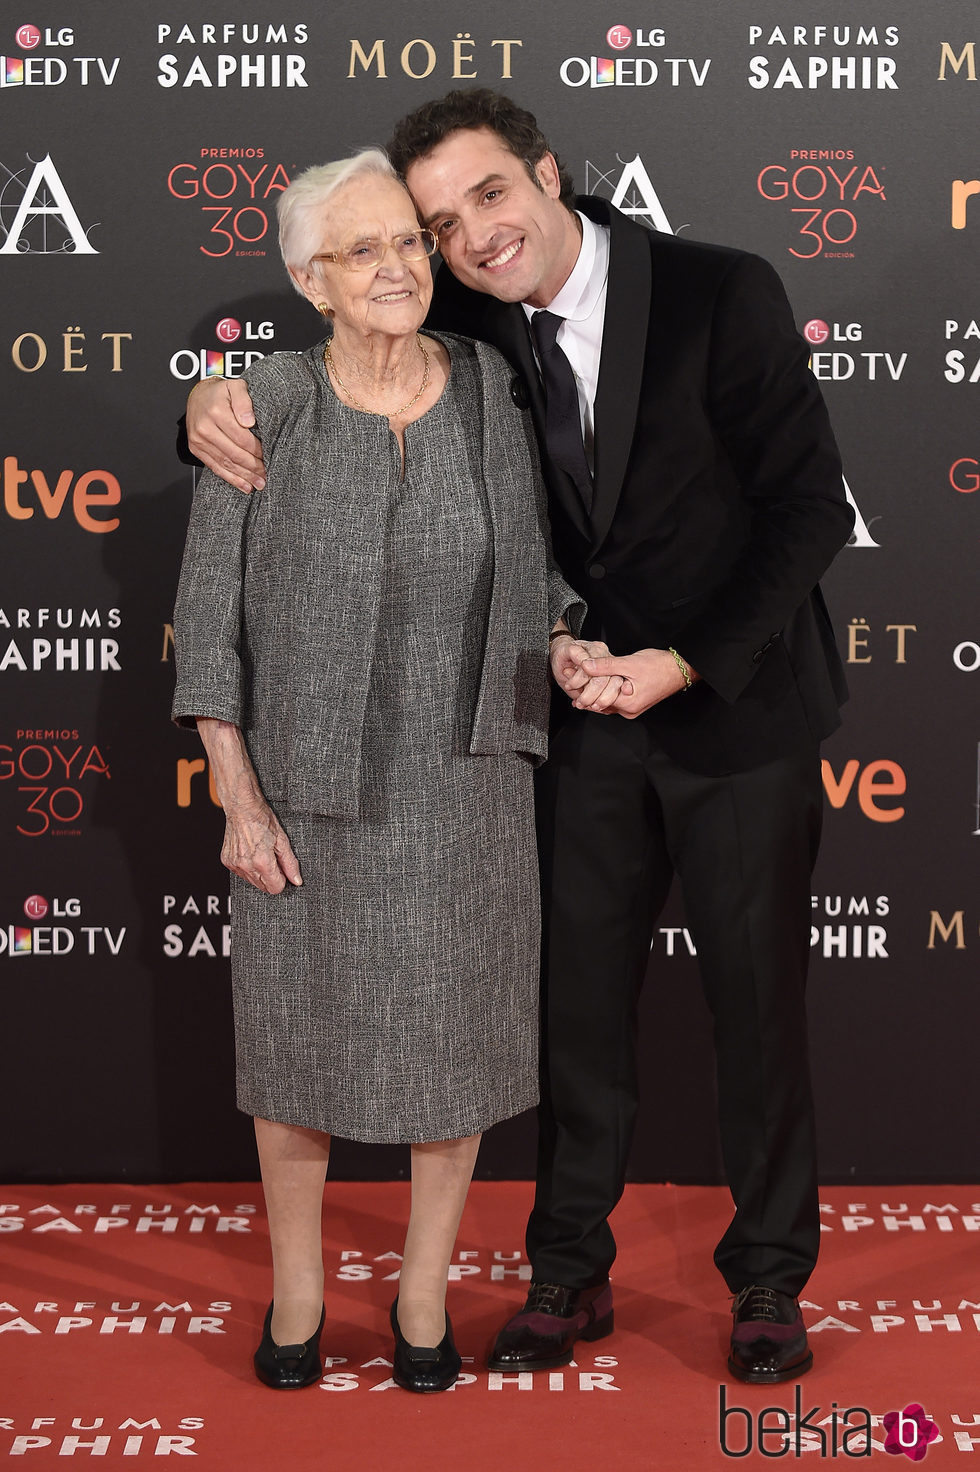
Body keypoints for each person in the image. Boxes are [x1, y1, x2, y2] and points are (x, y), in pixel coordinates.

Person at [183, 90, 855, 1386]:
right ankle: (567, 1274)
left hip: (737, 711)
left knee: (758, 1013)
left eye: (490, 195)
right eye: (438, 223)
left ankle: (769, 1280)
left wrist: (684, 662)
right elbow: (327, 373)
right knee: (577, 1016)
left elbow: (807, 510)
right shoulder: (469, 323)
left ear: (548, 175)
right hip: (571, 714)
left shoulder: (725, 289)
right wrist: (204, 408)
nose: (468, 236)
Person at [171, 147, 588, 1394]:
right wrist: (237, 801)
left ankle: (420, 1296)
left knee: (451, 1055)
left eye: (408, 240)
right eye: (365, 251)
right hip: (298, 793)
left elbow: (540, 579)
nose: (401, 265)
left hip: (467, 775)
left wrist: (572, 653)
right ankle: (297, 1295)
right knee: (292, 1053)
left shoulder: (488, 391)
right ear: (311, 279)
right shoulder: (264, 404)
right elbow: (209, 621)